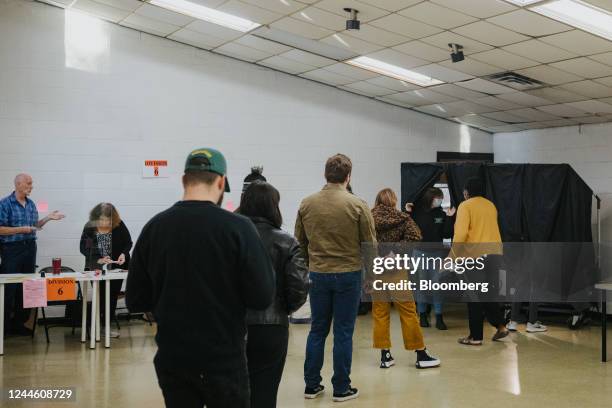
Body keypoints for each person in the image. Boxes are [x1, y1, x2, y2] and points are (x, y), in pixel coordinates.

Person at [126, 148, 275, 408]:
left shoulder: (155, 227)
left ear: (184, 180)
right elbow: (262, 296)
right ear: (221, 182)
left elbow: (136, 300)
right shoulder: (239, 229)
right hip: (224, 358)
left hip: (173, 358)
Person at [295, 153, 376, 403]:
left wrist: (310, 268)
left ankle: (311, 385)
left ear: (325, 174)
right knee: (343, 332)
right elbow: (370, 245)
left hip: (318, 274)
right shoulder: (358, 205)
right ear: (348, 176)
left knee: (317, 330)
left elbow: (299, 243)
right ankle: (341, 388)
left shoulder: (307, 204)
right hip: (348, 275)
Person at [239, 181, 309, 408]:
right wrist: (282, 309)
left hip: (230, 327)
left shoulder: (228, 237)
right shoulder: (287, 242)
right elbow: (298, 289)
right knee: (265, 393)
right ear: (273, 207)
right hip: (271, 327)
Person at [371, 188, 441, 370]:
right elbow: (416, 236)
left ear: (377, 201)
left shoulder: (368, 218)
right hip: (397, 270)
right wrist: (396, 251)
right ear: (393, 201)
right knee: (408, 312)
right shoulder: (402, 218)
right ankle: (420, 354)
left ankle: (385, 356)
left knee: (380, 312)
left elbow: (362, 242)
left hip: (377, 270)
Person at [0, 173, 64, 335]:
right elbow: (1, 229)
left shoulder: (31, 204)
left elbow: (34, 226)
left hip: (30, 247)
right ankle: (4, 326)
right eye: (28, 183)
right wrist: (22, 229)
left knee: (26, 286)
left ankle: (19, 324)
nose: (31, 186)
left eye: (31, 183)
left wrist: (48, 218)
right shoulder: (5, 204)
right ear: (18, 184)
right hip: (12, 249)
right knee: (9, 288)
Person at [454, 177, 508, 346]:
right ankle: (501, 326)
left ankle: (475, 337)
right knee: (488, 293)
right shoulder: (490, 205)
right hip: (494, 254)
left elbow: (461, 234)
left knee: (474, 295)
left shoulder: (465, 205)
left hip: (475, 256)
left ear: (466, 192)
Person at [79, 203, 132, 338]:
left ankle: (106, 327)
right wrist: (99, 260)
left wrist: (123, 254)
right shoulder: (90, 227)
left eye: (108, 220)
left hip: (116, 267)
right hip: (95, 267)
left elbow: (128, 243)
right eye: (102, 219)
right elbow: (84, 248)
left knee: (112, 298)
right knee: (99, 296)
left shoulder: (119, 225)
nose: (105, 223)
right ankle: (95, 326)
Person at [411, 187, 455, 330]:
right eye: (438, 197)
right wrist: (407, 211)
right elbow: (408, 228)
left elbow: (447, 234)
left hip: (437, 254)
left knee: (437, 285)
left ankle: (439, 316)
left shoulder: (441, 214)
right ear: (431, 198)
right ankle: (422, 315)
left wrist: (449, 218)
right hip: (420, 253)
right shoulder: (418, 213)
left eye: (441, 198)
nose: (440, 200)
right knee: (422, 285)